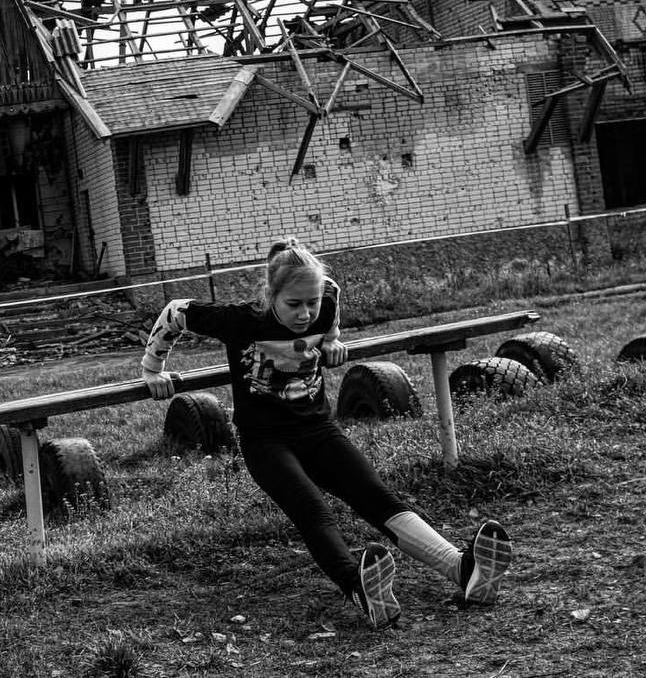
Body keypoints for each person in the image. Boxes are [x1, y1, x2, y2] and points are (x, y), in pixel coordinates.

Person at [140, 236, 513, 629]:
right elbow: (176, 311)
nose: (305, 314)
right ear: (270, 295)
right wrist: (153, 368)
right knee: (313, 511)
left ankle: (462, 568)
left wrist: (333, 337)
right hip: (266, 442)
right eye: (293, 304)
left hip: (319, 430)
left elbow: (331, 293)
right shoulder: (242, 320)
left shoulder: (327, 301)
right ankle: (359, 588)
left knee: (377, 497)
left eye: (312, 302)